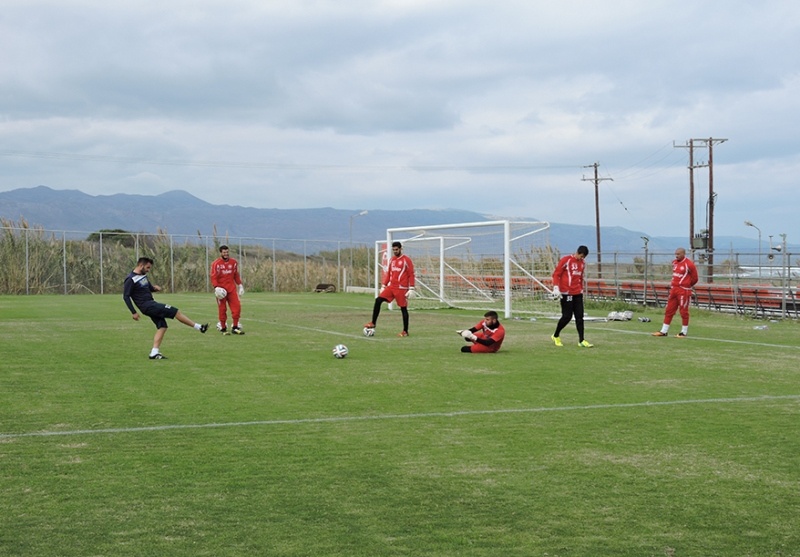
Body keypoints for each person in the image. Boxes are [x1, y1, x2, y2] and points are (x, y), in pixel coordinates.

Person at [123, 257, 208, 359]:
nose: (148, 270)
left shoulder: (143, 276)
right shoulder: (130, 279)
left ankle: (154, 353)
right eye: (147, 267)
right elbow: (126, 296)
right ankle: (199, 327)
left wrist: (154, 288)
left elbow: (149, 288)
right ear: (141, 265)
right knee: (175, 311)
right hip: (148, 306)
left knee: (162, 326)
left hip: (151, 304)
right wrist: (133, 312)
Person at [364, 241, 416, 337]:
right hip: (391, 287)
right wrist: (384, 285)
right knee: (378, 300)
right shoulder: (392, 260)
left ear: (401, 249)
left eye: (397, 249)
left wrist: (412, 287)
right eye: (393, 250)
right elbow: (389, 273)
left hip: (401, 288)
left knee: (403, 309)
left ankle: (405, 331)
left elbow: (411, 274)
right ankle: (373, 322)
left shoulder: (406, 260)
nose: (395, 251)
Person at [551, 245, 593, 348]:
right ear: (578, 253)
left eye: (584, 257)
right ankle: (556, 335)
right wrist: (556, 287)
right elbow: (556, 274)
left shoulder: (582, 264)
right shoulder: (566, 260)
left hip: (577, 293)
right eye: (581, 256)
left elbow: (580, 277)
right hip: (566, 293)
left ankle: (581, 340)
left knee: (580, 317)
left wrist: (581, 289)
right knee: (567, 316)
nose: (582, 259)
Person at [652, 247, 699, 338]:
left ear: (683, 254)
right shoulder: (674, 263)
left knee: (683, 311)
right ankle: (664, 331)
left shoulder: (689, 264)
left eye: (678, 254)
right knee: (669, 310)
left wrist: (687, 285)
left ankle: (683, 332)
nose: (676, 256)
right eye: (675, 254)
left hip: (683, 290)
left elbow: (695, 278)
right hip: (674, 289)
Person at [210, 245, 245, 335]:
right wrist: (216, 287)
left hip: (231, 289)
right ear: (220, 253)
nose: (226, 254)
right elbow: (213, 277)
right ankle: (223, 328)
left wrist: (240, 285)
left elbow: (235, 275)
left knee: (237, 307)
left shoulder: (233, 262)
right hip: (221, 291)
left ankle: (235, 327)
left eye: (227, 252)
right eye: (224, 252)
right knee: (222, 309)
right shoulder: (216, 264)